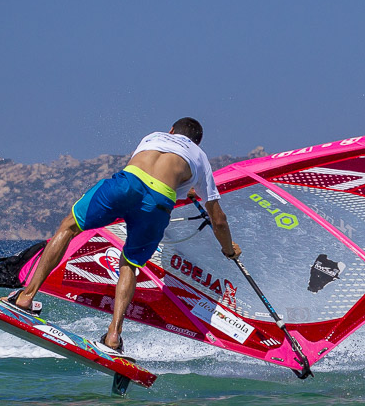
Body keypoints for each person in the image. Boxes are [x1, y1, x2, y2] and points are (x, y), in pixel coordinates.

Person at [12, 117, 241, 354]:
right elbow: (218, 220)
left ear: (171, 130)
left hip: (126, 184)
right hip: (158, 202)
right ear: (197, 142)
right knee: (129, 264)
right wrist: (229, 250)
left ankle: (26, 297)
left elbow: (148, 173)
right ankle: (113, 335)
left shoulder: (153, 137)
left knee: (68, 227)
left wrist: (184, 189)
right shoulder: (200, 157)